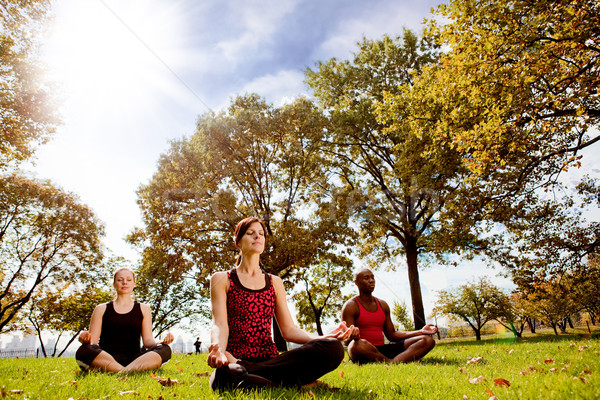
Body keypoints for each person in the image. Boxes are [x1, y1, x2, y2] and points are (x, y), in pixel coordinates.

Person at [207, 217, 354, 390]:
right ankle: (295, 386)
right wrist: (219, 351)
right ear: (238, 241)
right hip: (235, 362)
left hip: (274, 363)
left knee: (333, 348)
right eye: (250, 233)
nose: (257, 237)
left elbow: (289, 331)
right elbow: (219, 324)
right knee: (224, 376)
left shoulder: (274, 282)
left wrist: (322, 338)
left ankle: (260, 378)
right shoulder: (222, 279)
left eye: (261, 234)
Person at [75, 267, 174, 373]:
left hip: (135, 359)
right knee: (84, 350)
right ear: (114, 284)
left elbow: (148, 342)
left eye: (129, 280)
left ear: (134, 284)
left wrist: (161, 342)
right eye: (120, 280)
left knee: (165, 349)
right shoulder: (101, 309)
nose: (124, 282)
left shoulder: (144, 309)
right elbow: (92, 342)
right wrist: (84, 340)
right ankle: (128, 372)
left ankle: (120, 371)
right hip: (106, 358)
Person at [341, 268, 437, 364]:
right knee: (355, 345)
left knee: (427, 340)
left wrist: (421, 331)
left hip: (383, 349)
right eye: (366, 278)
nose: (371, 281)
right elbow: (346, 341)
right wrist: (352, 336)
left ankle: (391, 362)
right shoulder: (350, 306)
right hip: (364, 350)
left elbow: (392, 335)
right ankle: (393, 361)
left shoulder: (383, 304)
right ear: (356, 282)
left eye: (372, 278)